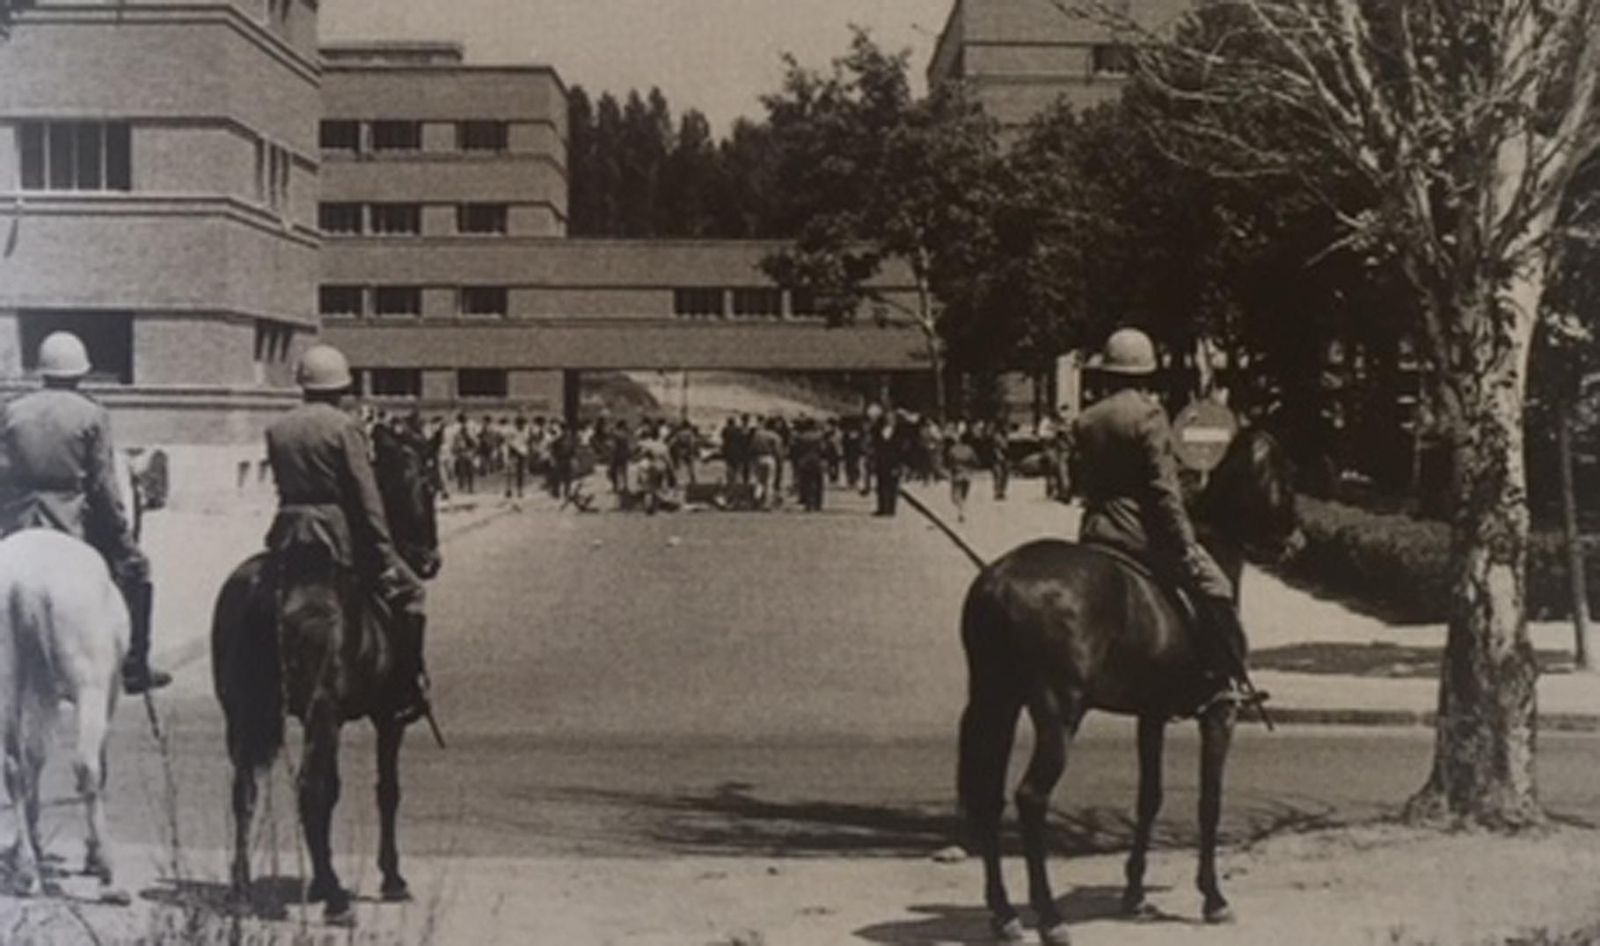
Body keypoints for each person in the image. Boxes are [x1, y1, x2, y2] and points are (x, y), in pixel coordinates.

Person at [1070, 327, 1256, 706]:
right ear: (1144, 373)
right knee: (1217, 588)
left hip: (1096, 530)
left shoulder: (1086, 420)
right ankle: (1220, 682)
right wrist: (1185, 542)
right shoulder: (1149, 415)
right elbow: (1163, 491)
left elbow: (1082, 482)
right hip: (1141, 534)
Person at [264, 344, 430, 723]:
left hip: (287, 531)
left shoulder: (278, 428)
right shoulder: (344, 427)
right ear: (340, 388)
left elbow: (281, 484)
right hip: (333, 534)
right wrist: (384, 549)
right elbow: (365, 493)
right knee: (413, 594)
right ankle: (406, 687)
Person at [0, 331, 171, 694]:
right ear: (80, 373)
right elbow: (102, 484)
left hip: (17, 520)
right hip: (69, 517)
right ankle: (134, 667)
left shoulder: (12, 410)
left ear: (42, 371)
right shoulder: (92, 413)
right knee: (137, 570)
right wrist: (122, 535)